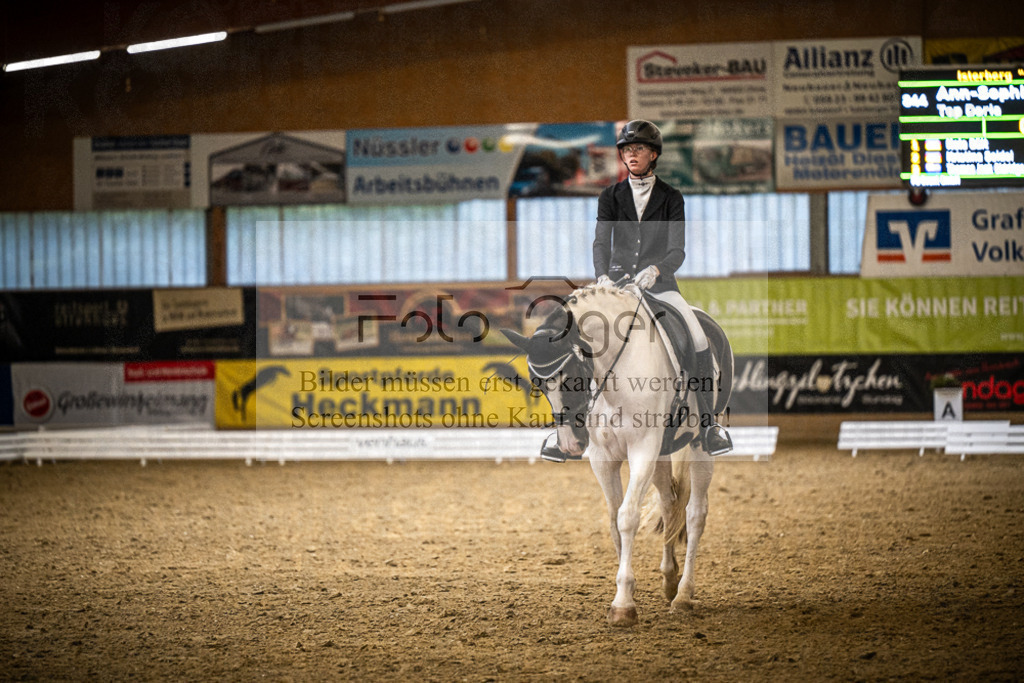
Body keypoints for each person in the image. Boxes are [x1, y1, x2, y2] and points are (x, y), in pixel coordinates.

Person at [592, 119, 732, 456]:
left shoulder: (671, 197)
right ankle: (571, 426)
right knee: (585, 336)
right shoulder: (610, 196)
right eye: (627, 149)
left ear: (653, 154)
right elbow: (601, 243)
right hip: (618, 285)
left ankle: (708, 424)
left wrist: (656, 270)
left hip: (660, 285)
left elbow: (677, 250)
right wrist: (602, 276)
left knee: (697, 337)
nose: (631, 154)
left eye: (639, 148)